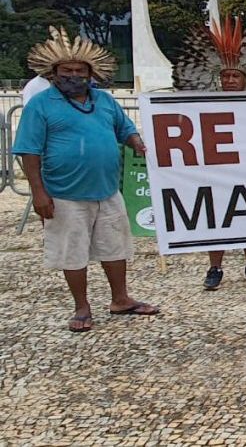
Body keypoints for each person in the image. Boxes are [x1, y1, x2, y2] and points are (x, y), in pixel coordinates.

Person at [13, 26, 159, 332]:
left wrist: (136, 142)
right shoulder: (40, 105)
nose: (73, 74)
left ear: (91, 73)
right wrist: (38, 193)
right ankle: (81, 307)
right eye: (66, 70)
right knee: (72, 251)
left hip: (107, 190)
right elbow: (29, 152)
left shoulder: (104, 101)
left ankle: (121, 299)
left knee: (115, 247)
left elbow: (125, 127)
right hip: (64, 194)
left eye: (80, 70)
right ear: (53, 73)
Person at [173, 15, 246, 290]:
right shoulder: (203, 106)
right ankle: (215, 267)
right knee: (217, 218)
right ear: (217, 77)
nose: (231, 80)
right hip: (217, 170)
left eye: (236, 75)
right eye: (226, 76)